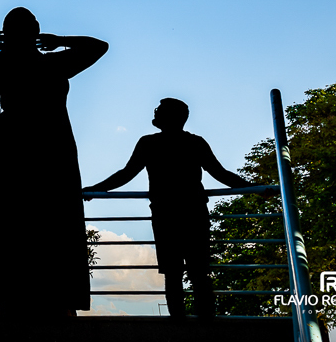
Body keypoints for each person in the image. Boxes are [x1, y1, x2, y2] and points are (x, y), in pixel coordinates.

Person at [0, 8, 108, 317]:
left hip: (17, 140)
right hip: (50, 139)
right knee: (55, 216)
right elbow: (97, 46)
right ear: (37, 33)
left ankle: (19, 293)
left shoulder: (1, 62)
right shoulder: (55, 62)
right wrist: (60, 42)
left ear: (7, 35)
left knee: (17, 215)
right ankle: (56, 294)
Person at [82, 98, 252, 321]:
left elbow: (126, 174)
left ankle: (179, 324)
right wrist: (253, 188)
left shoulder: (149, 143)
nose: (155, 113)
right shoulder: (195, 143)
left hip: (166, 215)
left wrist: (95, 190)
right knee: (199, 271)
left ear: (169, 116)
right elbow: (221, 174)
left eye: (159, 111)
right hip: (194, 213)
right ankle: (206, 323)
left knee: (173, 273)